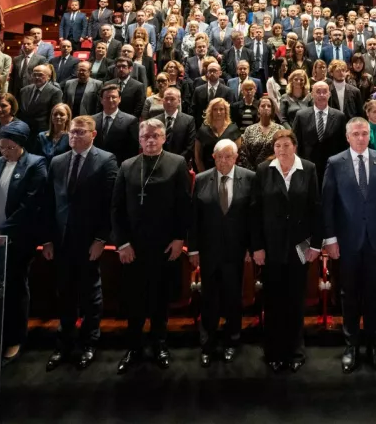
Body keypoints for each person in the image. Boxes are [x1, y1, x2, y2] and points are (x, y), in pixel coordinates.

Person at [322, 118, 376, 373]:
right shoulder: (335, 163)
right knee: (349, 295)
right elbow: (328, 205)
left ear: (370, 136)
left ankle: (374, 344)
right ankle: (351, 345)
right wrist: (330, 239)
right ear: (347, 136)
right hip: (346, 242)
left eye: (364, 133)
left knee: (373, 294)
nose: (360, 138)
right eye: (355, 134)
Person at [112, 118, 190, 371]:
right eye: (146, 136)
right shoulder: (126, 166)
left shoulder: (177, 163)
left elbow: (183, 205)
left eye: (156, 136)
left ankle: (159, 344)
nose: (151, 140)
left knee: (159, 299)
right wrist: (122, 243)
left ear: (164, 137)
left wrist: (179, 238)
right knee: (135, 299)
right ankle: (134, 347)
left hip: (164, 245)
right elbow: (117, 209)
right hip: (133, 246)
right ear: (139, 139)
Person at [42, 115, 117, 371]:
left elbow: (110, 206)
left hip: (89, 241)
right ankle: (63, 345)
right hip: (62, 240)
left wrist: (100, 239)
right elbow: (50, 204)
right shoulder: (58, 161)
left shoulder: (106, 160)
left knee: (90, 294)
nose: (75, 136)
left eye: (81, 132)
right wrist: (48, 239)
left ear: (93, 134)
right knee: (64, 293)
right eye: (72, 132)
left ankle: (88, 343)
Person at [0, 119, 48, 362]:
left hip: (16, 238)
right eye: (1, 147)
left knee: (15, 289)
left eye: (10, 147)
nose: (5, 152)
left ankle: (15, 339)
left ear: (21, 145)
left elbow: (30, 205)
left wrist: (3, 233)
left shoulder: (36, 164)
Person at [250, 128, 321, 373]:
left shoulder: (309, 169)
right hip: (270, 247)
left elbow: (315, 208)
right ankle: (274, 351)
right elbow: (255, 211)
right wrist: (257, 246)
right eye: (277, 145)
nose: (282, 149)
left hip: (300, 246)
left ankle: (295, 350)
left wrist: (315, 245)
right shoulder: (263, 170)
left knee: (295, 300)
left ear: (295, 146)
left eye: (286, 145)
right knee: (273, 301)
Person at [188, 139, 255, 366]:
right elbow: (194, 218)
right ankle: (207, 344)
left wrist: (251, 247)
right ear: (213, 158)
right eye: (220, 157)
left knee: (233, 298)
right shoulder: (202, 178)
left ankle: (232, 341)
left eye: (229, 156)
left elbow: (253, 217)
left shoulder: (249, 177)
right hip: (209, 252)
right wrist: (194, 248)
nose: (224, 161)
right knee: (209, 299)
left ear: (236, 158)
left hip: (237, 252)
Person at [289, 81, 347, 175]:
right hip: (307, 168)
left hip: (332, 168)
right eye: (318, 91)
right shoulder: (301, 116)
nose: (321, 95)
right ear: (312, 94)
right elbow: (294, 141)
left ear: (329, 94)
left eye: (324, 92)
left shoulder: (339, 116)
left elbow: (344, 144)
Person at [194, 97, 241, 173]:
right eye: (215, 109)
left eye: (221, 109)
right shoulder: (203, 130)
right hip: (207, 172)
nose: (218, 112)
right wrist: (203, 174)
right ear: (210, 111)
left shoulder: (233, 129)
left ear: (226, 111)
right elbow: (198, 157)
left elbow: (237, 156)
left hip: (229, 172)